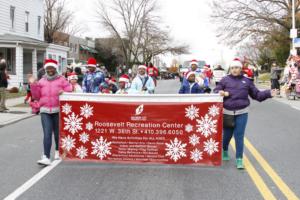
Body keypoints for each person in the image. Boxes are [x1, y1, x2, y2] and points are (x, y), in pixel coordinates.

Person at [214, 58, 277, 170]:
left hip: (242, 112)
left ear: (240, 69)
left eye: (237, 67)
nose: (234, 70)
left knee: (239, 136)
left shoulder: (247, 81)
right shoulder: (225, 80)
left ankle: (239, 159)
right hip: (227, 113)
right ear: (230, 69)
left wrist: (268, 93)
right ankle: (224, 149)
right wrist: (220, 92)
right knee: (227, 136)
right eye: (232, 67)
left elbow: (257, 95)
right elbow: (216, 90)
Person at [30, 59, 72, 166]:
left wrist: (64, 92)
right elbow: (36, 96)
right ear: (45, 69)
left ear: (55, 69)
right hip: (45, 111)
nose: (50, 70)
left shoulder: (61, 79)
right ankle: (46, 157)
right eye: (48, 68)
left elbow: (70, 89)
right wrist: (33, 84)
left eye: (52, 68)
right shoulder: (41, 81)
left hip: (58, 110)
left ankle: (58, 151)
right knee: (47, 133)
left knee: (58, 133)